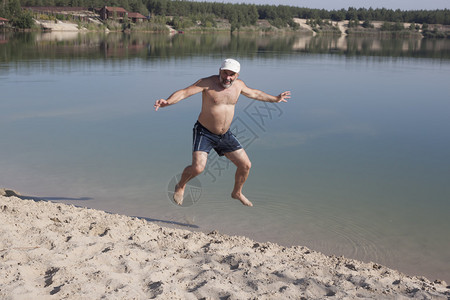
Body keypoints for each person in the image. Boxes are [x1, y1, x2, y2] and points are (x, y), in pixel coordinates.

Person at [154, 58, 291, 207]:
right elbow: (184, 93)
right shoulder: (207, 83)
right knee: (198, 168)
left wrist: (276, 99)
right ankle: (180, 185)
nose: (227, 78)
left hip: (224, 135)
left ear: (237, 75)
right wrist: (168, 102)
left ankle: (237, 192)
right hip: (204, 132)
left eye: (231, 75)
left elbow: (256, 94)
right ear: (220, 71)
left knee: (245, 165)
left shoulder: (239, 86)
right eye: (225, 73)